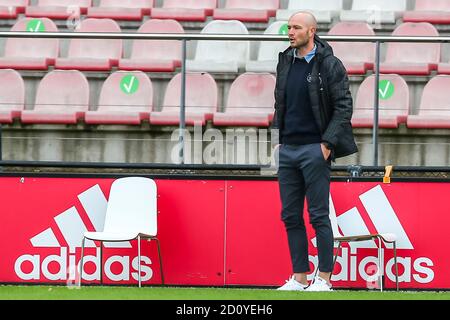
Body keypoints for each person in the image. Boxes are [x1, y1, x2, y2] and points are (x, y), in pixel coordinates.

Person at [273, 11, 358, 291]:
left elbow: (344, 106)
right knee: (290, 215)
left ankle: (324, 278)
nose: (290, 32)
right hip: (288, 149)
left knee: (319, 215)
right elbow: (279, 103)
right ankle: (299, 277)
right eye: (288, 27)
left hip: (314, 149)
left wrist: (327, 144)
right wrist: (278, 139)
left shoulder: (330, 64)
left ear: (311, 31)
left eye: (296, 27)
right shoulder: (284, 60)